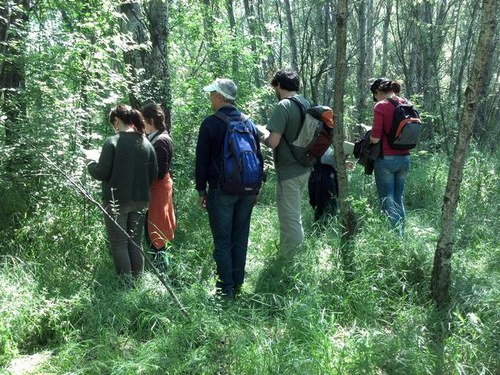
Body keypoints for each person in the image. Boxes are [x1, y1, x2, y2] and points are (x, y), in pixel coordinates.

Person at [195, 78, 263, 300]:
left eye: (212, 94)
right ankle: (238, 284)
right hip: (248, 190)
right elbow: (259, 158)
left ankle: (225, 290)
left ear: (219, 97)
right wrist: (256, 189)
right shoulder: (248, 123)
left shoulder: (210, 123)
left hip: (221, 190)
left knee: (222, 239)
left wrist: (201, 190)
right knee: (239, 237)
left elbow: (202, 161)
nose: (210, 98)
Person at [86, 104, 157, 282]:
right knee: (135, 242)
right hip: (141, 200)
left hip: (117, 202)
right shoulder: (146, 143)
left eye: (113, 123)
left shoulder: (112, 142)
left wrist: (90, 163)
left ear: (117, 120)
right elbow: (154, 174)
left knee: (119, 244)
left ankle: (125, 285)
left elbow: (101, 172)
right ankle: (138, 283)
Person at [258, 69, 311, 261]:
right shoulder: (306, 103)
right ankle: (292, 255)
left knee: (289, 220)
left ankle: (291, 262)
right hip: (305, 167)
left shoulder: (284, 106)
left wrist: (260, 134)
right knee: (294, 216)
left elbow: (273, 142)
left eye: (275, 87)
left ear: (278, 85)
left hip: (289, 171)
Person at [369, 78, 411, 236]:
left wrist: (369, 134)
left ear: (378, 92)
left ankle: (394, 240)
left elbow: (375, 138)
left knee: (387, 199)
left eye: (375, 96)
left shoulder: (381, 106)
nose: (376, 99)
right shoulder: (405, 102)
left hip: (387, 159)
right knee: (398, 198)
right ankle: (402, 234)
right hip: (405, 159)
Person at [140, 103, 176, 271]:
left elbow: (160, 172)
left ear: (152, 120)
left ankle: (163, 271)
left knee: (156, 231)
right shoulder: (156, 137)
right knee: (153, 230)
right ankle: (161, 268)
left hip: (158, 190)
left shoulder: (161, 141)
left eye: (143, 121)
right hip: (157, 189)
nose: (141, 125)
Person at [308, 147, 339, 222]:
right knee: (324, 207)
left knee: (329, 206)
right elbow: (322, 158)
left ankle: (323, 229)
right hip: (321, 178)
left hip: (326, 176)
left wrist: (342, 162)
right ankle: (320, 230)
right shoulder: (318, 137)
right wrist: (339, 159)